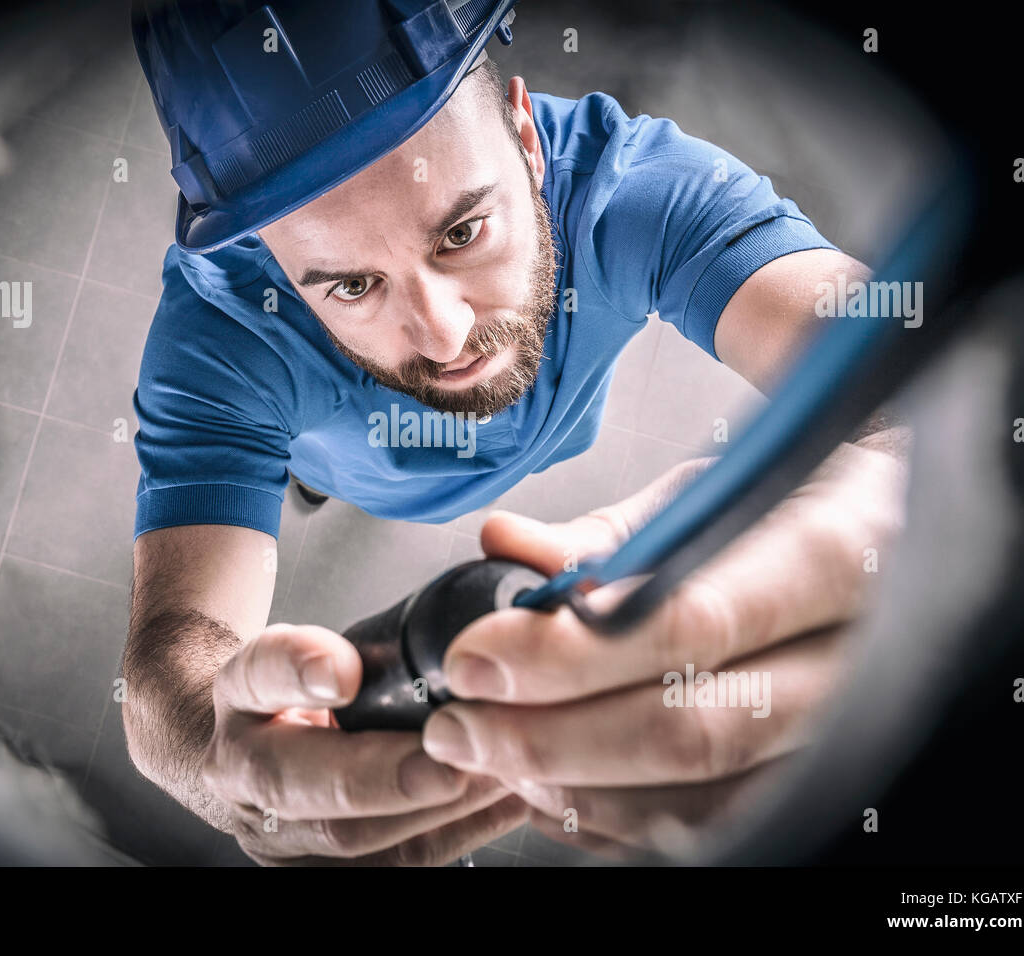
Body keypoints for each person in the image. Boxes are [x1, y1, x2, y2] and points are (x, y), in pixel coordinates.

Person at [123, 0, 908, 865]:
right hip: (349, 463)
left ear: (529, 140)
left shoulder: (639, 190)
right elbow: (170, 663)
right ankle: (304, 477)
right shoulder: (218, 340)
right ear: (275, 265)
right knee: (306, 470)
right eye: (351, 287)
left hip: (500, 434)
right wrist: (225, 762)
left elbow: (905, 372)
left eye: (462, 234)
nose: (446, 336)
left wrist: (904, 493)